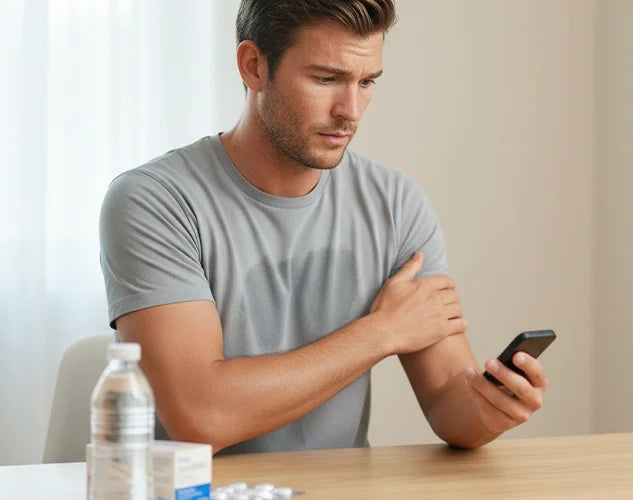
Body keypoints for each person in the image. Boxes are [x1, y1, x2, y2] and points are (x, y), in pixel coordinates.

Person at [98, 0, 547, 455]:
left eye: (366, 82)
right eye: (326, 79)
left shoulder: (395, 204)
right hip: (201, 487)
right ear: (253, 66)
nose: (350, 111)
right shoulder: (153, 201)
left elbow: (449, 402)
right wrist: (381, 332)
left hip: (342, 486)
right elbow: (200, 416)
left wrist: (490, 409)